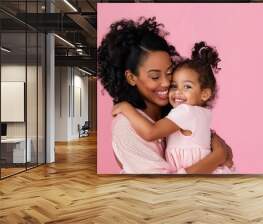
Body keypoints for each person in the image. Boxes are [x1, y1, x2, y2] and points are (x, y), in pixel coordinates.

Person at [97, 17, 233, 174]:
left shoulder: (176, 109)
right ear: (131, 78)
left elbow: (225, 153)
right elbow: (163, 188)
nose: (167, 83)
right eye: (155, 76)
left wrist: (218, 148)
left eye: (169, 73)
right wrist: (217, 156)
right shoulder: (126, 127)